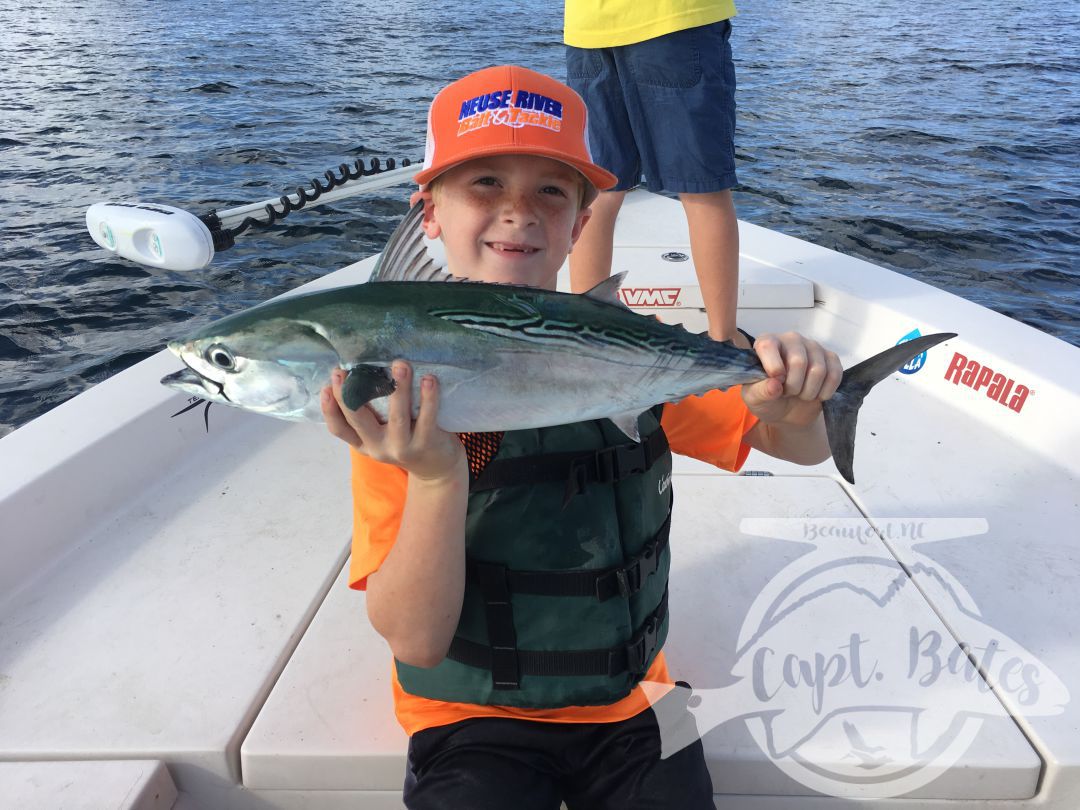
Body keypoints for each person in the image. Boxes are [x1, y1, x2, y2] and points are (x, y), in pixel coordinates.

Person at [320, 65, 841, 809]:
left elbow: (796, 447)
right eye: (485, 185)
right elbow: (417, 641)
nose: (518, 213)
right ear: (428, 215)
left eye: (550, 191)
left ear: (582, 223)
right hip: (470, 719)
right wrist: (438, 476)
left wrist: (797, 408)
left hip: (631, 703)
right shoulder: (403, 405)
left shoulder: (628, 363)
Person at [564, 1, 742, 342]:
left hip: (589, 28)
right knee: (703, 189)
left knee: (599, 190)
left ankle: (587, 335)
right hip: (674, 20)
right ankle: (725, 341)